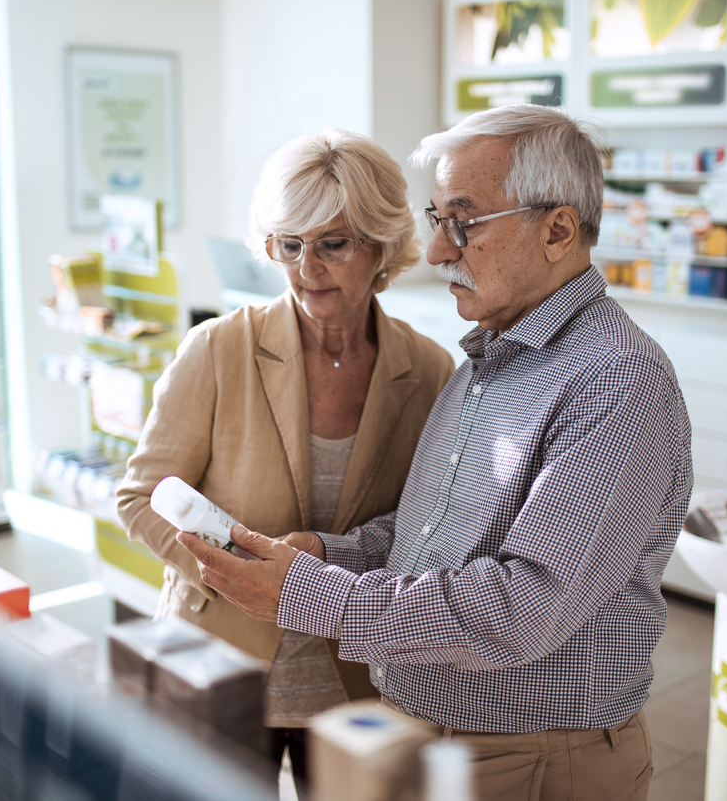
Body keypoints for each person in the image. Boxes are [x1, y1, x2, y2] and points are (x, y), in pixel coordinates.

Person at [174, 105, 693, 801]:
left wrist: (313, 594)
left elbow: (523, 607)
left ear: (558, 229)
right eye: (436, 218)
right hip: (438, 735)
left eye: (464, 222)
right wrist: (334, 554)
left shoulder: (615, 381)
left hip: (535, 757)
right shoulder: (489, 362)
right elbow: (432, 534)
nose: (440, 249)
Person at [116, 129, 456, 795]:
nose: (306, 270)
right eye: (288, 246)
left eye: (332, 244)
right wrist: (235, 578)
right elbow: (139, 497)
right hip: (219, 654)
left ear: (381, 245)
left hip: (354, 681)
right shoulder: (216, 350)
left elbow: (426, 529)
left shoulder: (427, 371)